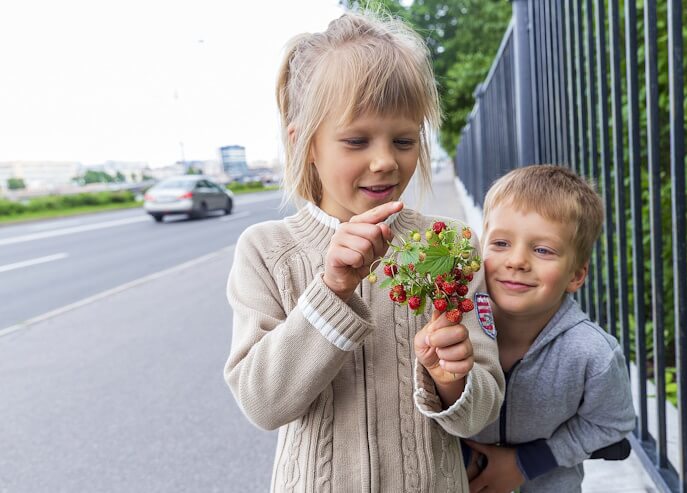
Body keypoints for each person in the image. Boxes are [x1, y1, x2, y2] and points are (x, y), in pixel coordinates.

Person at [223, 11, 505, 492]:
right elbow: (262, 402)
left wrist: (452, 380)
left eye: (404, 140)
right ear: (304, 143)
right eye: (356, 140)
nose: (385, 161)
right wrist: (332, 289)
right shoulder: (268, 252)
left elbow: (483, 408)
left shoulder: (448, 245)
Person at [463, 165, 635, 492]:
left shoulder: (593, 354)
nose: (517, 261)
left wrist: (526, 463)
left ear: (576, 276)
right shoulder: (456, 327)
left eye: (542, 249)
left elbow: (613, 423)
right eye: (500, 243)